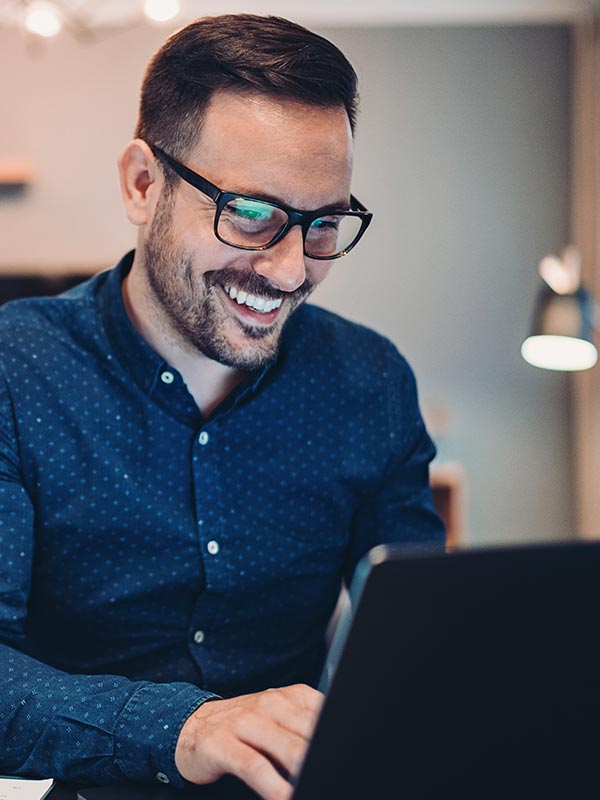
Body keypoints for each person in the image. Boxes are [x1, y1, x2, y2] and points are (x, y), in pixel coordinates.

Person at [0, 13, 444, 800]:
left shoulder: (370, 382)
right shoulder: (14, 370)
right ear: (144, 184)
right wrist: (181, 728)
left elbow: (419, 640)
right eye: (249, 212)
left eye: (323, 225)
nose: (286, 269)